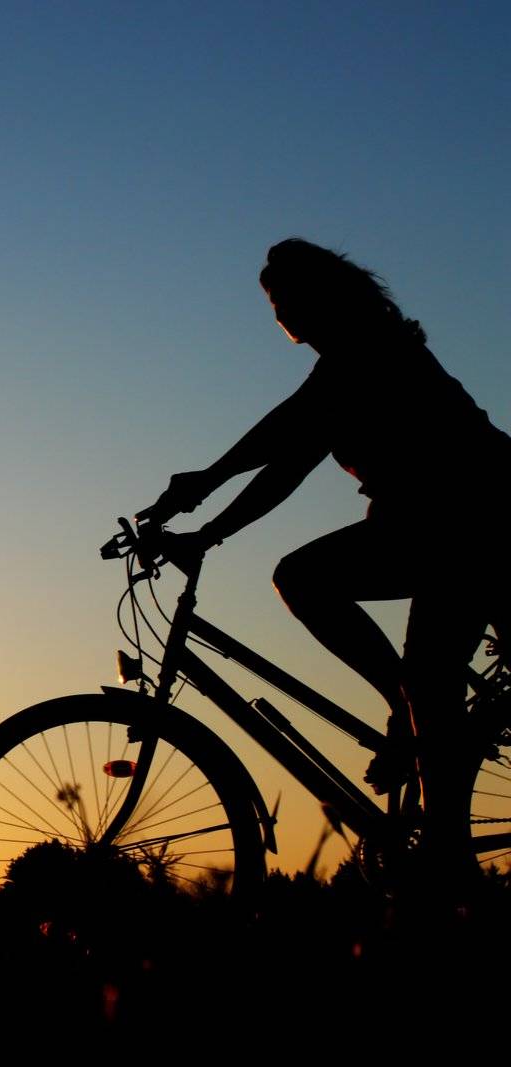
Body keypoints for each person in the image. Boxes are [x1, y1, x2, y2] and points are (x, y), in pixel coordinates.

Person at [139, 237, 511, 887]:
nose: (283, 316)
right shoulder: (345, 361)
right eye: (275, 305)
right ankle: (416, 735)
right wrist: (209, 529)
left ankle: (449, 857)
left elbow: (289, 429)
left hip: (475, 518)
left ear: (327, 298)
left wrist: (205, 486)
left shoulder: (370, 348)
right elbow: (290, 463)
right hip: (433, 523)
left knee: (411, 668)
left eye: (289, 300)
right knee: (421, 679)